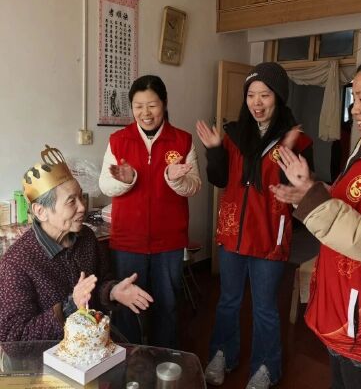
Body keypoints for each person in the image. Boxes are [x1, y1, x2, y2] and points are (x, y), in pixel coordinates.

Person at [269, 54, 361, 389]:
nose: (354, 109)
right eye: (354, 99)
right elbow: (353, 202)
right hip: (345, 309)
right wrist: (310, 190)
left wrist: (313, 197)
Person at [196, 62, 313, 388]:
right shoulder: (234, 135)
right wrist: (215, 151)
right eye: (251, 95)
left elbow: (301, 191)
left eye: (265, 95)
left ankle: (266, 367)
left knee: (264, 308)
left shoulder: (297, 139)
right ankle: (222, 353)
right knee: (228, 300)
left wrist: (288, 154)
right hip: (232, 233)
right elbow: (220, 179)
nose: (257, 102)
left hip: (269, 236)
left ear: (279, 97)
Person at [0, 145, 153, 342]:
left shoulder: (86, 237)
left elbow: (101, 282)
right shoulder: (16, 264)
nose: (82, 207)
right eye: (71, 201)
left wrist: (112, 291)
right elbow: (14, 338)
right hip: (50, 355)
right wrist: (70, 307)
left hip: (93, 344)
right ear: (40, 211)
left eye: (81, 196)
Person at [99, 75, 201, 348]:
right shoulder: (118, 140)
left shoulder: (182, 140)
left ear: (164, 104)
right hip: (127, 240)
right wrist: (127, 179)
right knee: (127, 306)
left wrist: (175, 178)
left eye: (152, 105)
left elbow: (194, 186)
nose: (145, 113)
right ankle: (130, 359)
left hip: (169, 241)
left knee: (167, 304)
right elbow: (105, 185)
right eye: (138, 106)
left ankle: (164, 358)